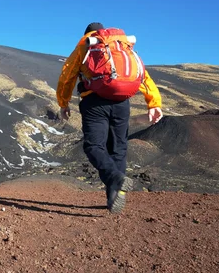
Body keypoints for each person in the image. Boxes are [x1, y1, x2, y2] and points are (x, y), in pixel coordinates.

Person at [56, 22, 163, 214]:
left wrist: (63, 102)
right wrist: (153, 103)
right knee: (118, 149)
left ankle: (115, 178)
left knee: (93, 146)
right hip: (122, 103)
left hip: (94, 102)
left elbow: (68, 74)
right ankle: (114, 196)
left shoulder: (85, 44)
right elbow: (142, 76)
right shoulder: (122, 46)